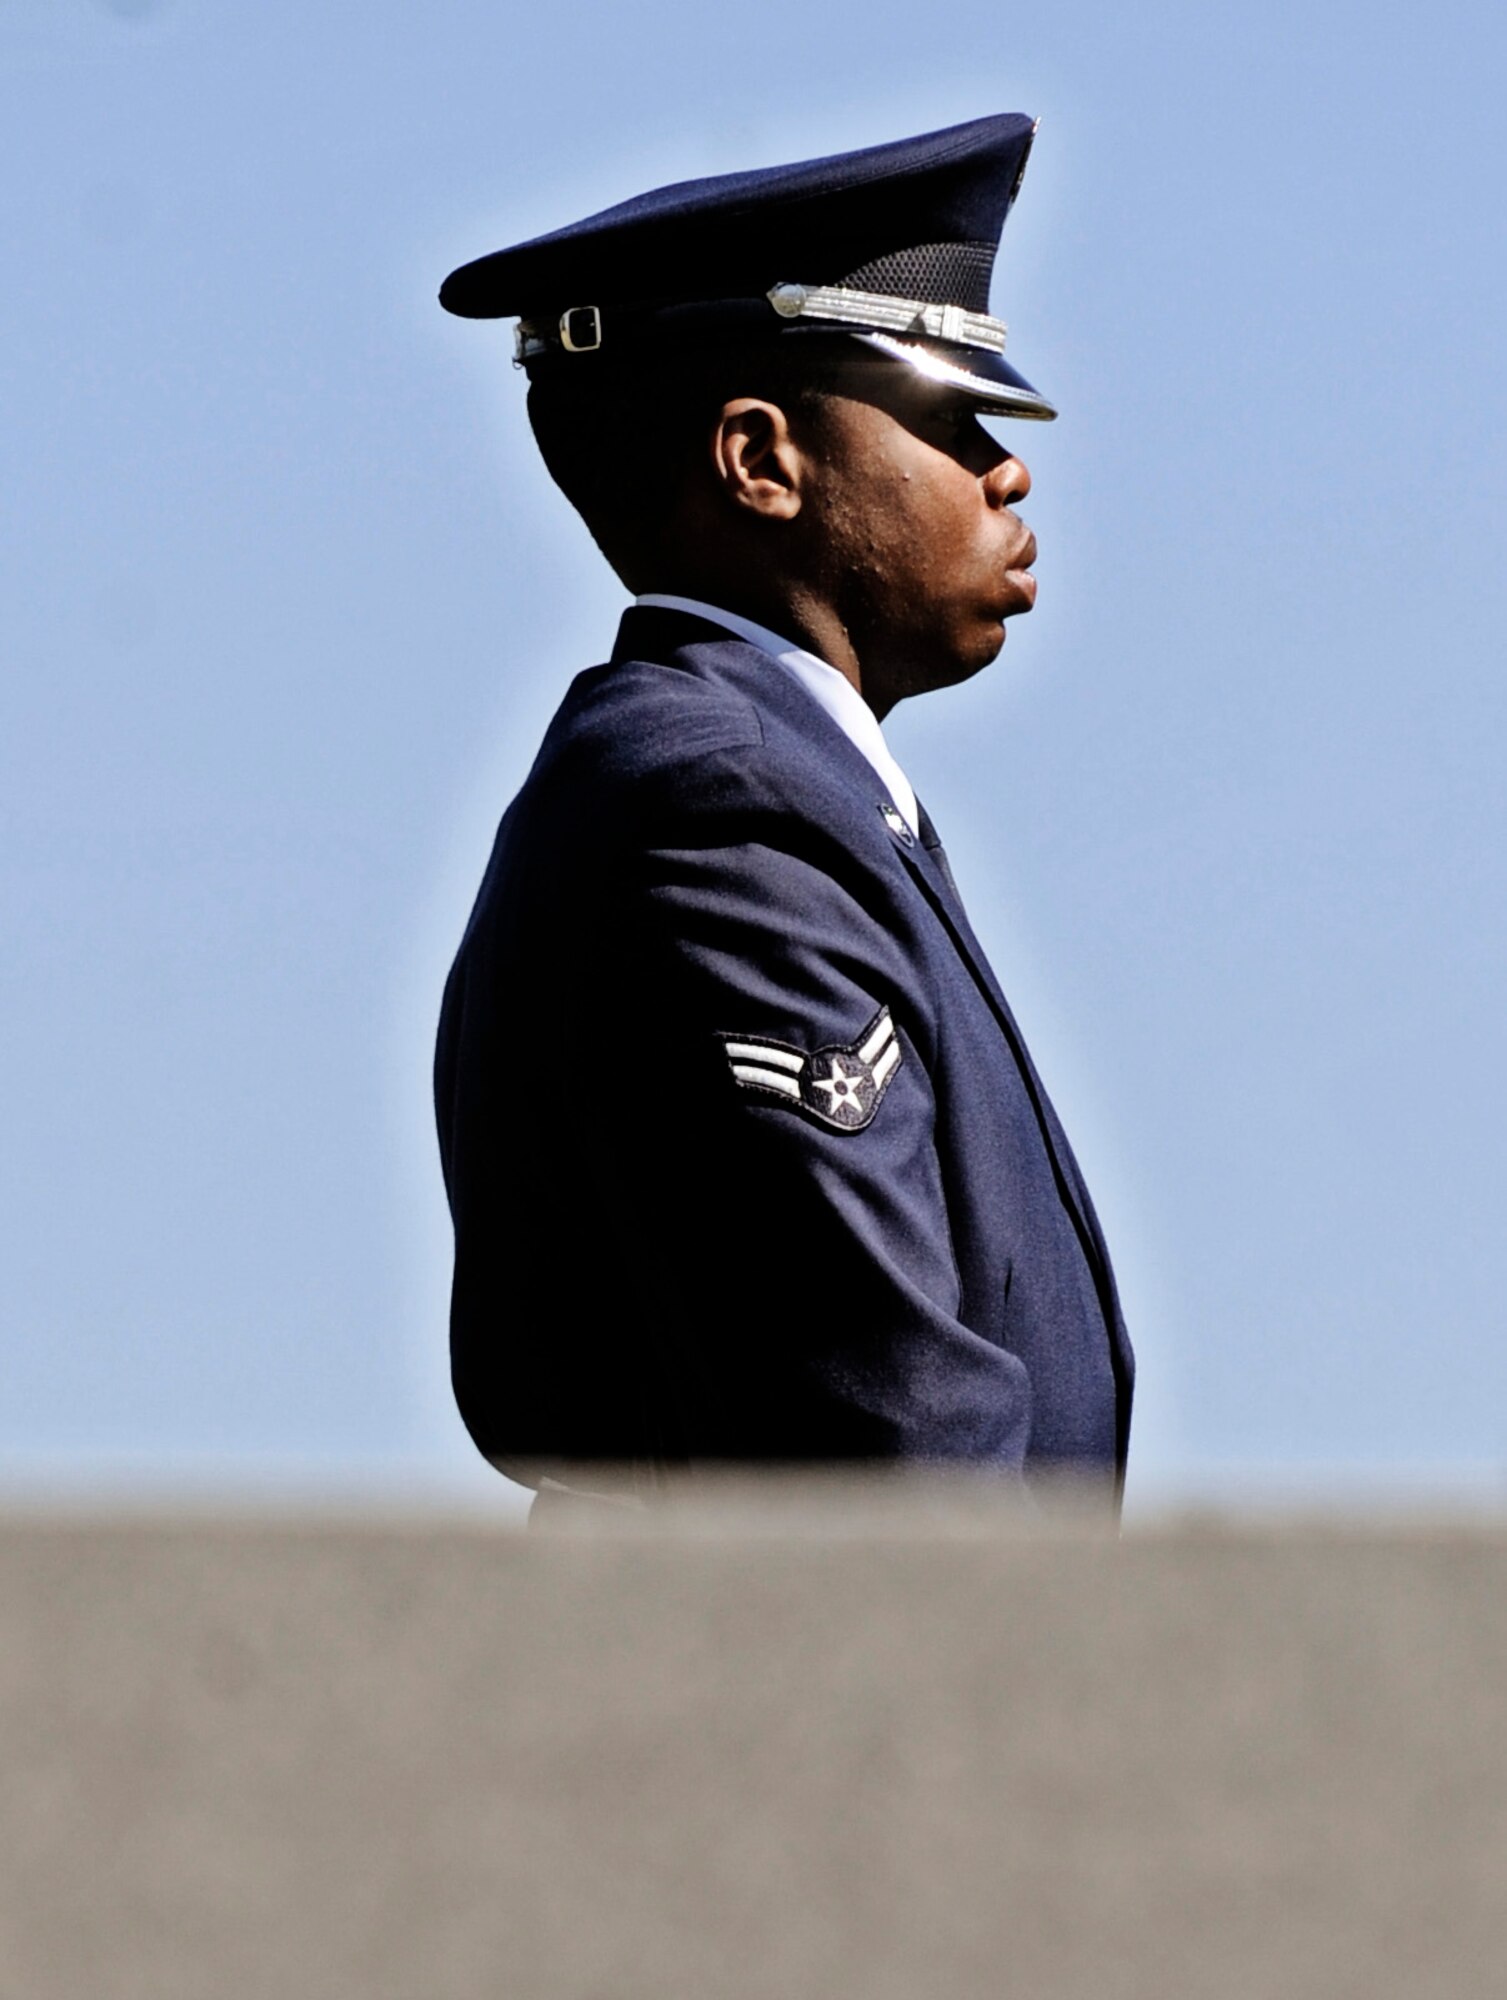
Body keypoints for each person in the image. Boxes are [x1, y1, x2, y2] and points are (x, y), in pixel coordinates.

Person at [434, 112, 1134, 1511]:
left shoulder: (777, 789)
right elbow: (884, 1429)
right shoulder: (722, 813)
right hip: (834, 1705)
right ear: (761, 462)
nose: (1009, 468)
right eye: (953, 420)